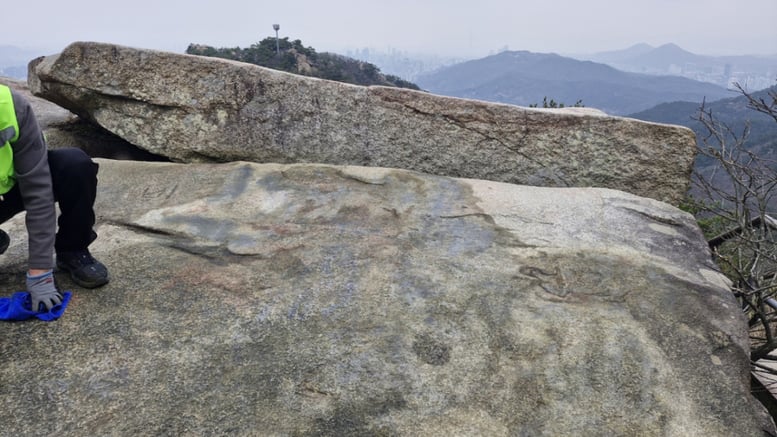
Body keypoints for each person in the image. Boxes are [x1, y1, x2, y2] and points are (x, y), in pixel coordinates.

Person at [0, 83, 108, 312]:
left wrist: (40, 271)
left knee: (74, 165)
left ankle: (72, 249)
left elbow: (38, 191)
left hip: (14, 187)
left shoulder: (9, 105)